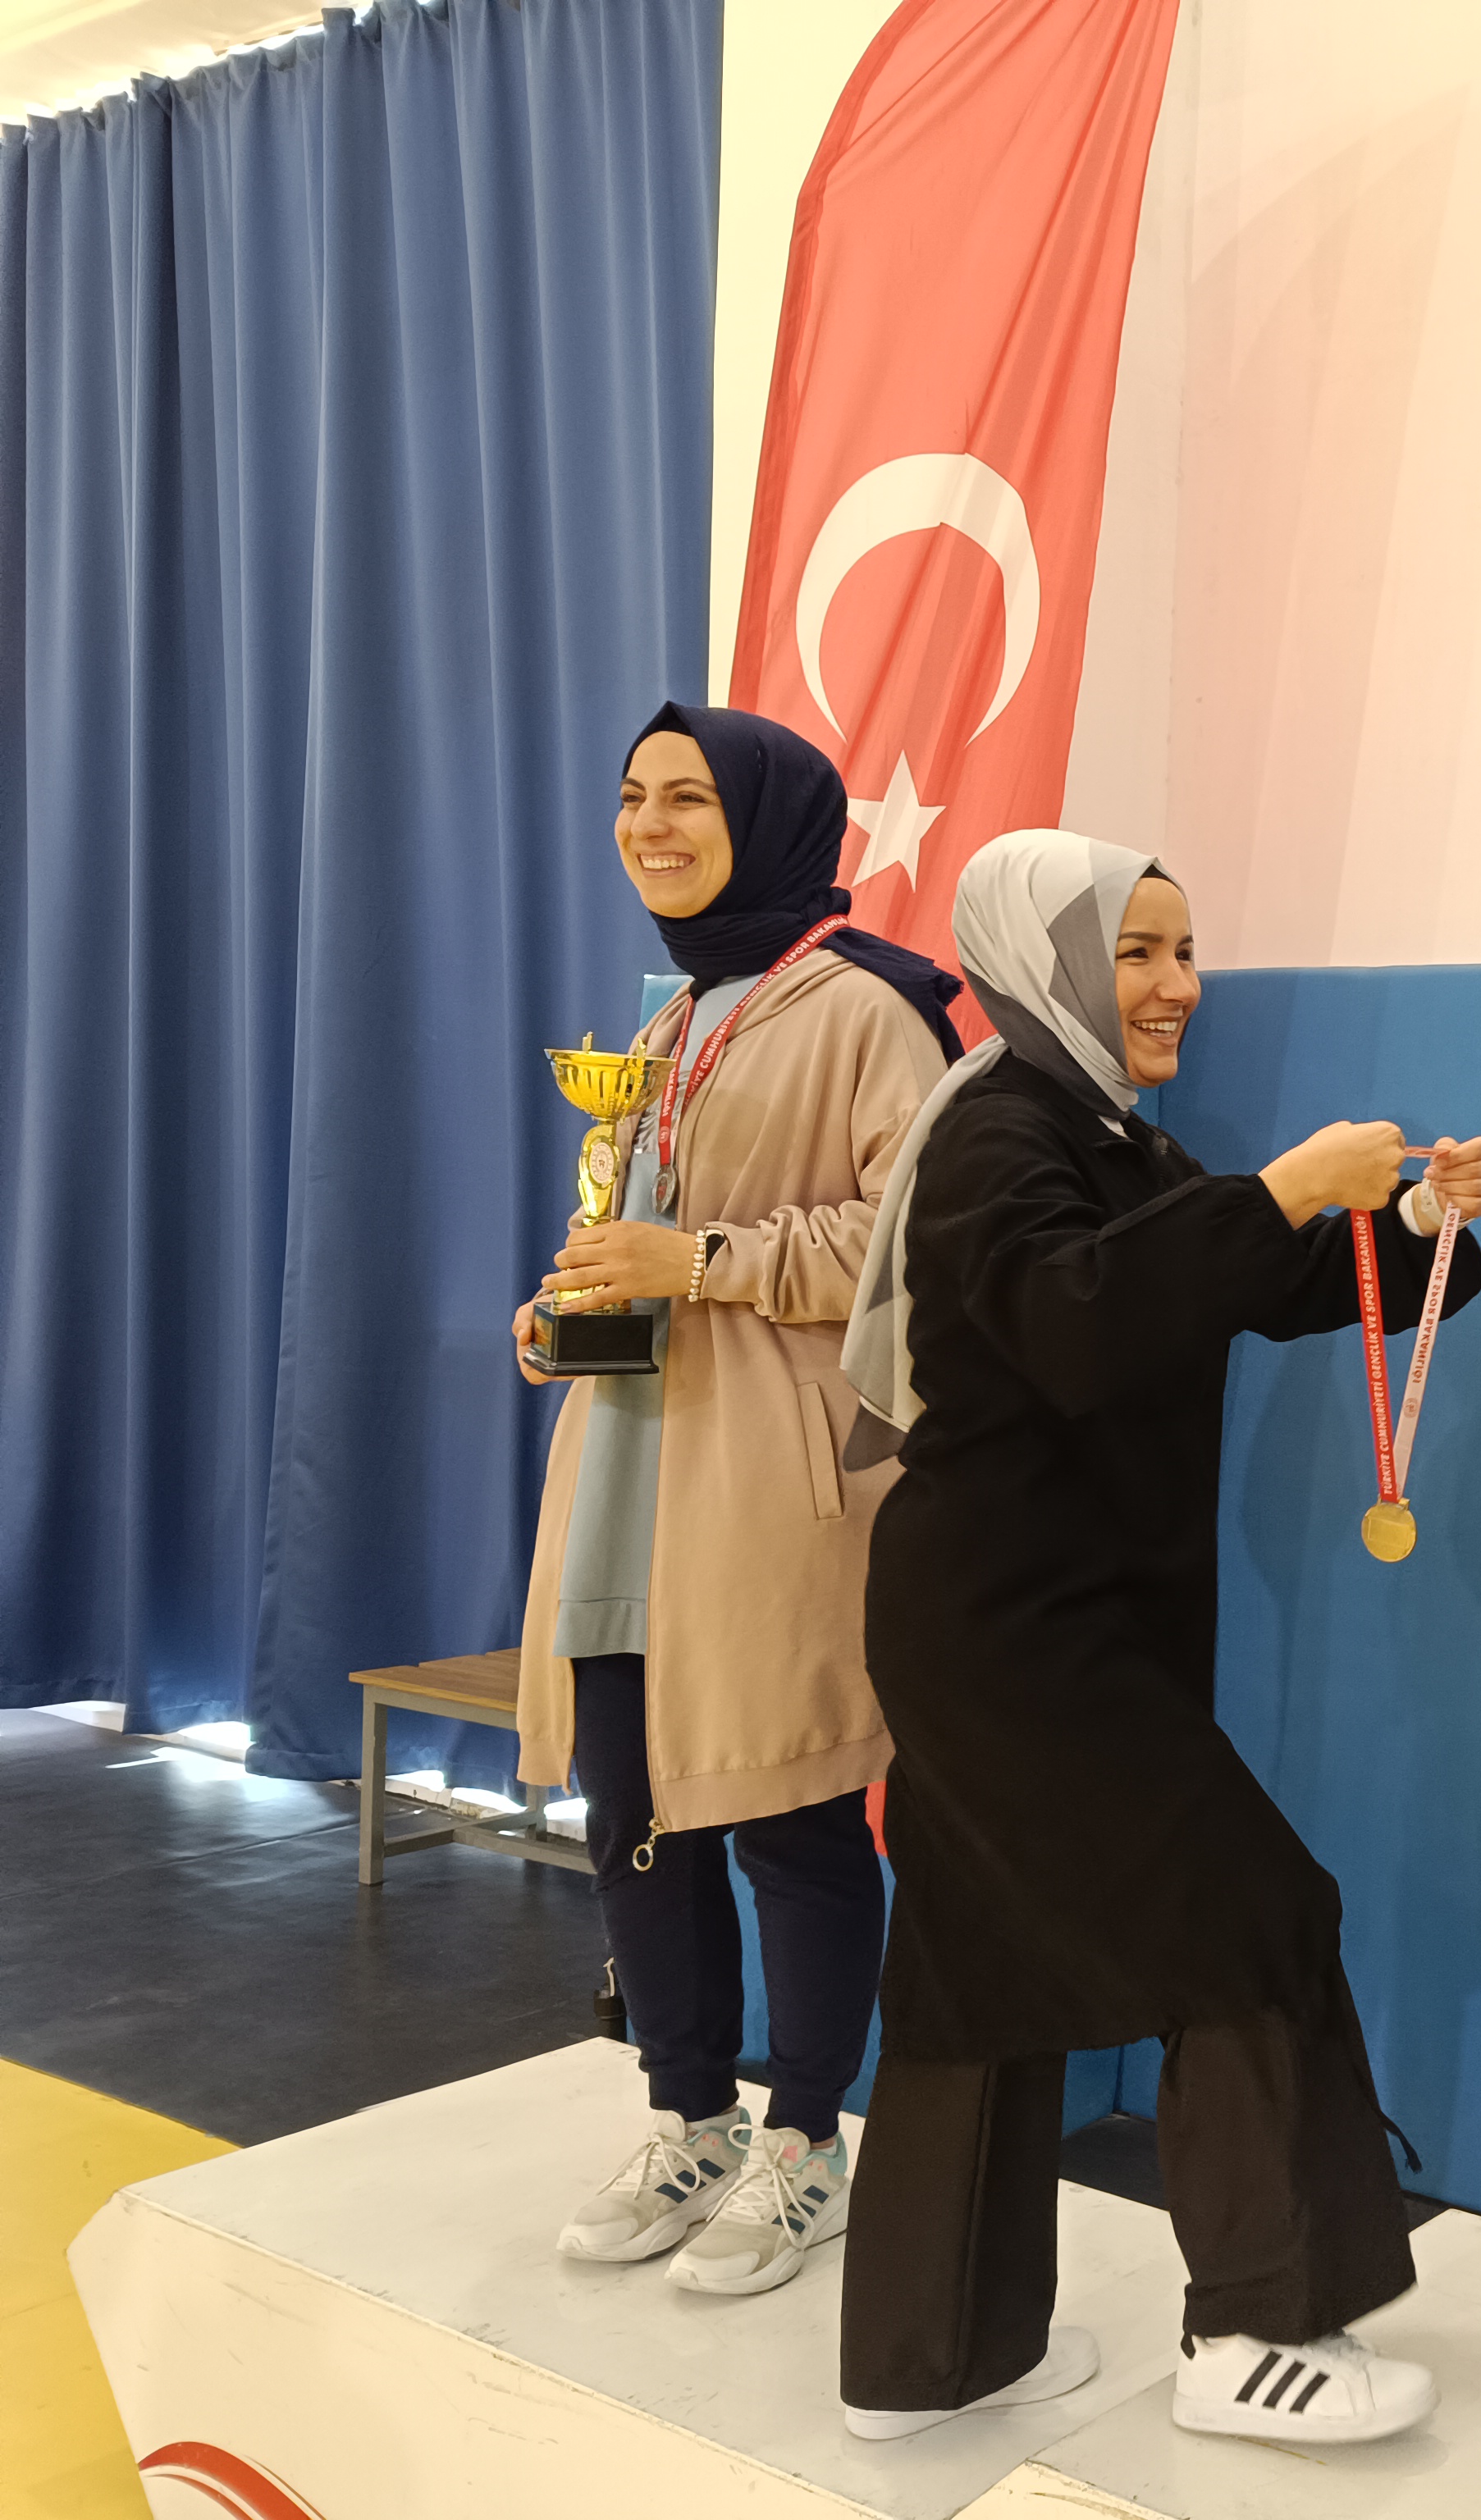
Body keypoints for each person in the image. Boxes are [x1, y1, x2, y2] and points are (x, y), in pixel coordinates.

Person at [830, 827, 1481, 2444]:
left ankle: (929, 2356)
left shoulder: (1105, 1136)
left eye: (1183, 951)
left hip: (1033, 1623)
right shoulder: (999, 1130)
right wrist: (1286, 1187)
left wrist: (1415, 1218)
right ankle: (1258, 2334)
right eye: (1135, 951)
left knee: (973, 1966)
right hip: (1011, 1635)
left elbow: (1250, 1281)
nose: (1175, 984)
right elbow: (1077, 1321)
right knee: (1252, 1915)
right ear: (1044, 961)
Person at [515, 702, 961, 2294]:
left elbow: (917, 1243)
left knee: (785, 1808)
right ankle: (688, 2114)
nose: (649, 824)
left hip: (766, 1478)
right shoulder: (673, 1021)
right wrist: (570, 1307)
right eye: (633, 795)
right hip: (629, 1469)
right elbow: (634, 1224)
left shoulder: (870, 1007)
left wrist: (702, 1263)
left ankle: (807, 2140)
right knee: (632, 1810)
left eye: (688, 797)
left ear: (766, 818)